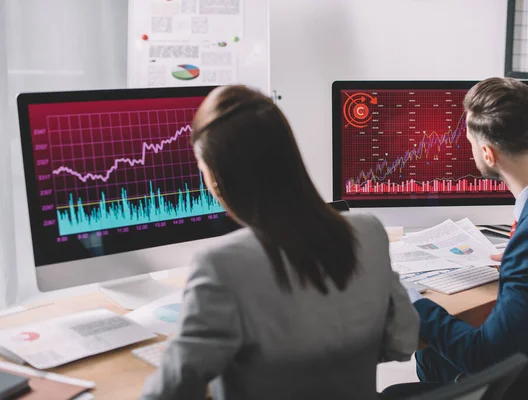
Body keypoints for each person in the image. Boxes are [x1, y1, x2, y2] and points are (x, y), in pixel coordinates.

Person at [140, 86, 419, 400]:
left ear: (218, 178)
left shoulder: (221, 264)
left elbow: (173, 391)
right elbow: (403, 340)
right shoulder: (368, 232)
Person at [382, 77, 528, 400]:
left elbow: (485, 354)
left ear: (488, 153)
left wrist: (415, 302)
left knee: (392, 393)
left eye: (469, 141)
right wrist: (521, 256)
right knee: (429, 357)